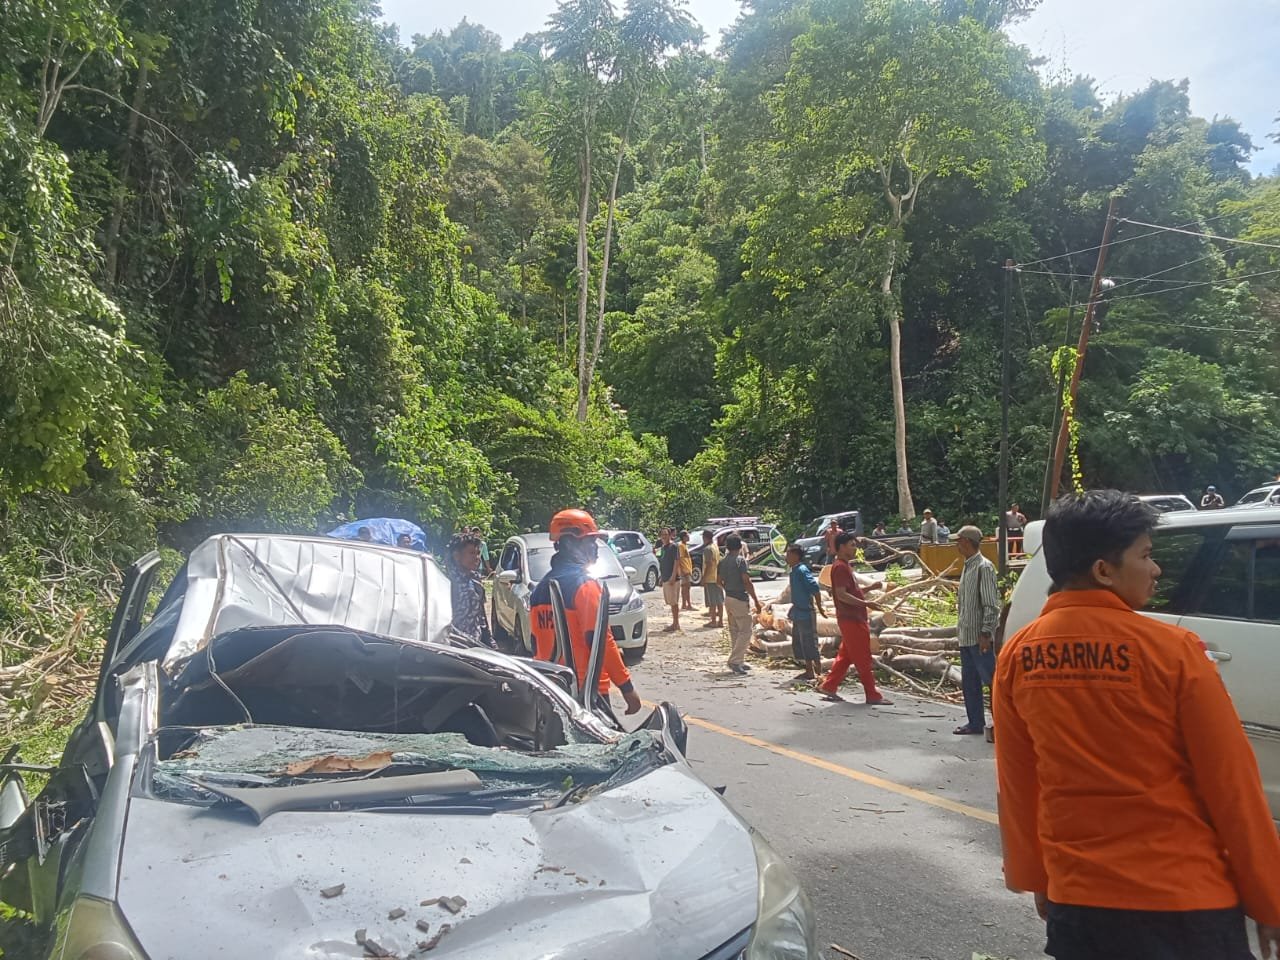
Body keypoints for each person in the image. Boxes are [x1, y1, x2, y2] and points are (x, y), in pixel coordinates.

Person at [994, 491, 1280, 960]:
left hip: (1080, 904)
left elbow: (1020, 783)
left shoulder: (1018, 655)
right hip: (1185, 902)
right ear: (1103, 571)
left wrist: (1038, 878)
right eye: (1146, 555)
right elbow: (1233, 787)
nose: (1156, 569)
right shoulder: (1174, 651)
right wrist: (1270, 899)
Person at [529, 509, 642, 716]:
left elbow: (537, 644)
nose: (596, 548)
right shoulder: (585, 585)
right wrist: (627, 688)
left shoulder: (540, 588)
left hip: (552, 692)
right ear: (570, 543)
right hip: (588, 694)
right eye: (590, 542)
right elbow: (600, 641)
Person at [816, 532, 890, 705]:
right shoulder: (840, 567)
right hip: (851, 619)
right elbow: (841, 595)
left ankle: (829, 686)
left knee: (846, 656)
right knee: (863, 657)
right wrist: (866, 605)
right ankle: (872, 695)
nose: (855, 549)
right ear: (841, 547)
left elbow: (851, 593)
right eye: (852, 545)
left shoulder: (845, 566)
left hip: (853, 617)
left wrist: (870, 587)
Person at [953, 525, 999, 735]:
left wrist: (986, 633)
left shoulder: (984, 567)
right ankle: (975, 722)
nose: (957, 544)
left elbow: (991, 605)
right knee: (970, 683)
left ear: (968, 542)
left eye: (959, 540)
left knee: (992, 682)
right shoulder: (967, 566)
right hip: (966, 636)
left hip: (979, 638)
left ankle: (1002, 721)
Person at [719, 533, 761, 675]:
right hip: (739, 598)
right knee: (746, 630)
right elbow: (746, 581)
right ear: (739, 546)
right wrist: (755, 599)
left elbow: (719, 581)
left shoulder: (722, 562)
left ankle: (739, 659)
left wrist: (728, 589)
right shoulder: (740, 561)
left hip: (728, 598)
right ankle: (735, 661)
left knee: (734, 630)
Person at [445, 531, 495, 649]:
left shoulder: (476, 581)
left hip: (474, 647)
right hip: (451, 647)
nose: (477, 557)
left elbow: (481, 617)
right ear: (457, 556)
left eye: (478, 553)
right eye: (472, 553)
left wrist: (490, 643)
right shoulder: (445, 582)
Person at [785, 544, 827, 683]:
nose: (786, 557)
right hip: (798, 611)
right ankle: (809, 670)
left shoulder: (802, 570)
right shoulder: (794, 570)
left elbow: (814, 588)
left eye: (788, 554)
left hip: (806, 612)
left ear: (796, 556)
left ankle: (818, 671)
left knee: (810, 642)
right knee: (800, 642)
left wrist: (820, 607)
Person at [656, 527, 681, 632]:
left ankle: (676, 624)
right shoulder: (662, 548)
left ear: (670, 535)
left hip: (673, 579)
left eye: (666, 534)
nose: (664, 537)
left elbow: (677, 561)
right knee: (670, 602)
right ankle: (674, 623)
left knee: (674, 602)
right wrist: (661, 576)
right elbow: (661, 561)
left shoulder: (674, 546)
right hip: (665, 577)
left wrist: (673, 576)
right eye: (662, 535)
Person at [700, 530, 724, 628]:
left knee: (713, 601)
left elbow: (709, 564)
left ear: (705, 538)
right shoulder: (715, 546)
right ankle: (721, 621)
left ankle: (714, 621)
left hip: (710, 578)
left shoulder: (708, 549)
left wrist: (703, 578)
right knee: (719, 601)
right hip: (717, 577)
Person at [677, 529, 695, 612]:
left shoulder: (684, 545)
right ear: (684, 537)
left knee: (686, 587)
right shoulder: (681, 546)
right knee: (686, 587)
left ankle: (685, 604)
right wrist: (682, 570)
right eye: (687, 535)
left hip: (687, 569)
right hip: (685, 569)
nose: (689, 537)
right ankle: (688, 604)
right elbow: (680, 558)